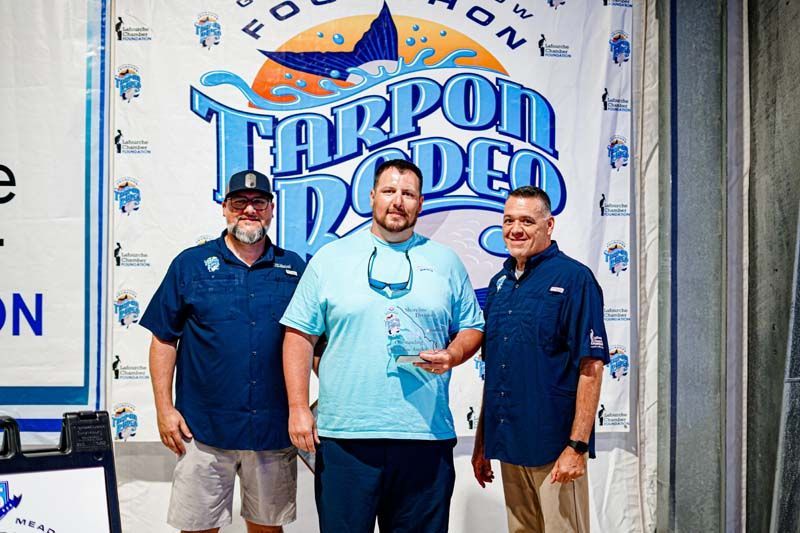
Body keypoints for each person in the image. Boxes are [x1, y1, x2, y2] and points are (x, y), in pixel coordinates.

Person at [281, 159, 484, 532]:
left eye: (408, 194)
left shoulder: (446, 262)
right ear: (372, 196)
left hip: (425, 436)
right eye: (389, 191)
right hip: (346, 436)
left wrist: (454, 353)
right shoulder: (330, 259)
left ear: (421, 203)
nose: (398, 201)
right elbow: (298, 335)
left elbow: (472, 326)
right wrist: (298, 408)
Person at [139, 170, 305, 533]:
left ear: (271, 209)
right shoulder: (191, 264)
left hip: (272, 430)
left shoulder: (294, 268)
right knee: (198, 529)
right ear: (225, 208)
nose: (249, 210)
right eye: (239, 202)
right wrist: (165, 409)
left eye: (259, 202)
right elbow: (163, 339)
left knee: (267, 528)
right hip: (202, 431)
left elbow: (313, 344)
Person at [471, 186, 609, 533]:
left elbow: (591, 366)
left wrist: (577, 446)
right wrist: (483, 442)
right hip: (509, 444)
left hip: (554, 448)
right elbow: (496, 371)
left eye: (527, 221)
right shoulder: (499, 284)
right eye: (509, 220)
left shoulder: (575, 279)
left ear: (549, 226)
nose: (515, 229)